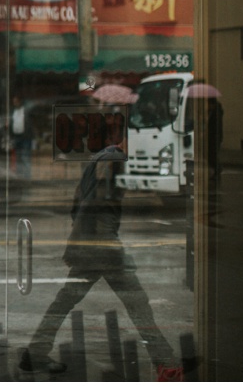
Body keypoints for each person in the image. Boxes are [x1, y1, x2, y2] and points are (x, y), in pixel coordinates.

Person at [19, 146, 179, 380]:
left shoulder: (99, 158)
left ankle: (35, 353)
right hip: (103, 247)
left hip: (89, 245)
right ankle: (166, 363)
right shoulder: (113, 161)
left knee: (64, 301)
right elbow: (96, 206)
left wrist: (80, 241)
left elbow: (78, 203)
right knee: (138, 303)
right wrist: (100, 248)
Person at [10, 95, 32, 179]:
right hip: (16, 136)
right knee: (18, 157)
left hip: (25, 137)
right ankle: (19, 176)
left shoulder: (25, 111)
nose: (15, 103)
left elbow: (29, 123)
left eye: (16, 101)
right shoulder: (13, 111)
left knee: (25, 157)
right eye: (14, 102)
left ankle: (27, 176)